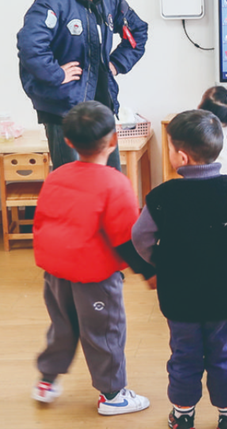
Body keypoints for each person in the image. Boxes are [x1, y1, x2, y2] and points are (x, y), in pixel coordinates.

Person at [130, 109, 227, 429]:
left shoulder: (162, 196)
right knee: (225, 353)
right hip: (226, 293)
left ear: (181, 157)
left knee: (184, 353)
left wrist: (161, 260)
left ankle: (182, 415)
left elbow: (140, 237)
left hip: (179, 294)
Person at [30, 101, 150, 416]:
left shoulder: (57, 175)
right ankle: (113, 395)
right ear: (113, 140)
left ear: (68, 141)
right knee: (104, 331)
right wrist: (148, 272)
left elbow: (42, 221)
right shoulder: (115, 183)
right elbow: (125, 238)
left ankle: (46, 380)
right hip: (94, 276)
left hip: (55, 271)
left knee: (62, 325)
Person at [18, 0, 148, 171]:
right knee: (73, 181)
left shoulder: (110, 0)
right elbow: (30, 45)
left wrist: (116, 64)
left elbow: (137, 32)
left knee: (109, 178)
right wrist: (57, 74)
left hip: (102, 110)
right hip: (64, 111)